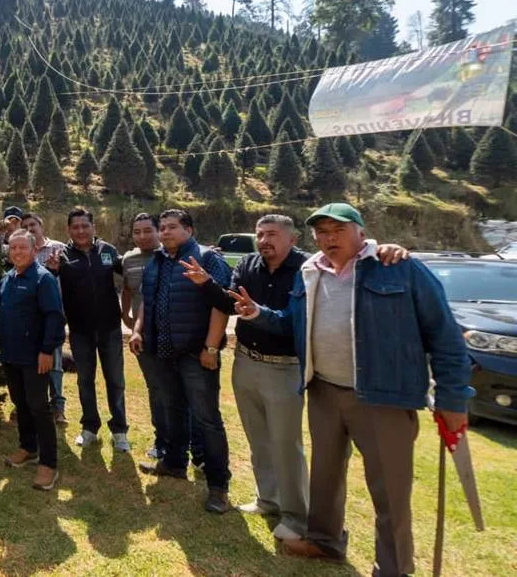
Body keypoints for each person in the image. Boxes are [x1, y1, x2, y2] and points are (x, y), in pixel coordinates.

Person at [226, 203, 472, 576]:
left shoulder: (400, 267)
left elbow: (445, 335)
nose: (328, 239)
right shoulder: (311, 273)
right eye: (321, 232)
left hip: (382, 396)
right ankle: (324, 542)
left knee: (389, 488)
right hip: (323, 390)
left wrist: (453, 399)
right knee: (325, 476)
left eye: (337, 230)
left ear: (361, 230)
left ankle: (393, 567)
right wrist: (258, 313)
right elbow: (294, 323)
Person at [185, 214, 412, 542]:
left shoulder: (311, 267)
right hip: (246, 362)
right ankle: (268, 498)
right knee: (258, 437)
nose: (264, 240)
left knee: (286, 443)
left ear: (292, 239)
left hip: (285, 365)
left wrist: (387, 249)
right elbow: (230, 304)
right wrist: (206, 283)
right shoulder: (248, 264)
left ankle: (295, 515)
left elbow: (299, 316)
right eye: (260, 234)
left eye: (272, 235)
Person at [131, 209, 233, 514]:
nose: (164, 233)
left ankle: (218, 485)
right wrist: (138, 330)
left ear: (188, 229)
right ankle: (174, 463)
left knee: (206, 418)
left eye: (172, 227)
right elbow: (147, 302)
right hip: (163, 352)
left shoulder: (207, 259)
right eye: (161, 228)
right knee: (172, 409)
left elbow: (222, 304)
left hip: (195, 354)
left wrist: (211, 348)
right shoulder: (157, 261)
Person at [0, 229, 66, 491]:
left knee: (39, 407)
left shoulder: (42, 279)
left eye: (22, 248)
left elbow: (55, 317)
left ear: (34, 250)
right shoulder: (10, 277)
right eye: (12, 248)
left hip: (35, 357)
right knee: (21, 403)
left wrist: (47, 351)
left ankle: (49, 464)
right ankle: (28, 447)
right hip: (11, 354)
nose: (16, 252)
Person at [122, 213, 204, 465]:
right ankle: (163, 444)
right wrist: (128, 319)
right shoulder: (129, 259)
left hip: (179, 339)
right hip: (147, 338)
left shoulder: (175, 257)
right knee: (157, 391)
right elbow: (130, 291)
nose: (143, 236)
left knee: (186, 395)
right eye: (137, 231)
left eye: (149, 230)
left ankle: (195, 449)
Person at [44, 208, 129, 452]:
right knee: (85, 381)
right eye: (75, 227)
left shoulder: (108, 251)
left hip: (110, 329)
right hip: (80, 331)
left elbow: (132, 278)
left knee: (116, 381)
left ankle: (120, 430)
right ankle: (89, 427)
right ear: (69, 230)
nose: (81, 230)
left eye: (85, 226)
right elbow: (48, 285)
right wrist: (52, 270)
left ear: (93, 227)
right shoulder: (62, 256)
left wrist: (130, 315)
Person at [21, 212, 68, 425]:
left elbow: (70, 279)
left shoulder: (59, 248)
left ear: (41, 225)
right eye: (25, 226)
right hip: (28, 318)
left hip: (52, 316)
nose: (30, 228)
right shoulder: (23, 250)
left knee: (55, 364)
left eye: (33, 224)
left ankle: (58, 407)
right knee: (28, 362)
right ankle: (27, 405)